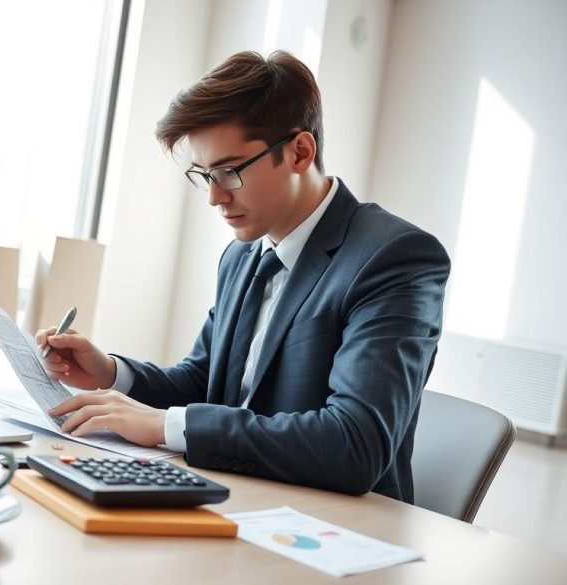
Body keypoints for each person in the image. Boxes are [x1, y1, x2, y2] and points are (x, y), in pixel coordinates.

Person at [36, 50, 450, 502]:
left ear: (299, 152)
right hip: (242, 496)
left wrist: (165, 425)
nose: (214, 197)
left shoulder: (394, 258)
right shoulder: (242, 256)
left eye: (229, 172)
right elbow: (205, 382)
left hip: (338, 527)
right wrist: (112, 374)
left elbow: (354, 443)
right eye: (204, 174)